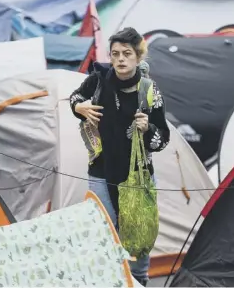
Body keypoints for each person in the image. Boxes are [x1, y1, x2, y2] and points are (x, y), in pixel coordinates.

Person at [69, 27, 170, 286]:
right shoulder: (99, 79)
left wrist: (147, 129)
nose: (121, 59)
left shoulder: (149, 90)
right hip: (101, 173)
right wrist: (79, 107)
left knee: (138, 236)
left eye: (127, 54)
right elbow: (76, 97)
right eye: (115, 54)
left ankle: (139, 280)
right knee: (102, 234)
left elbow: (163, 139)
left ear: (138, 57)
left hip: (137, 175)